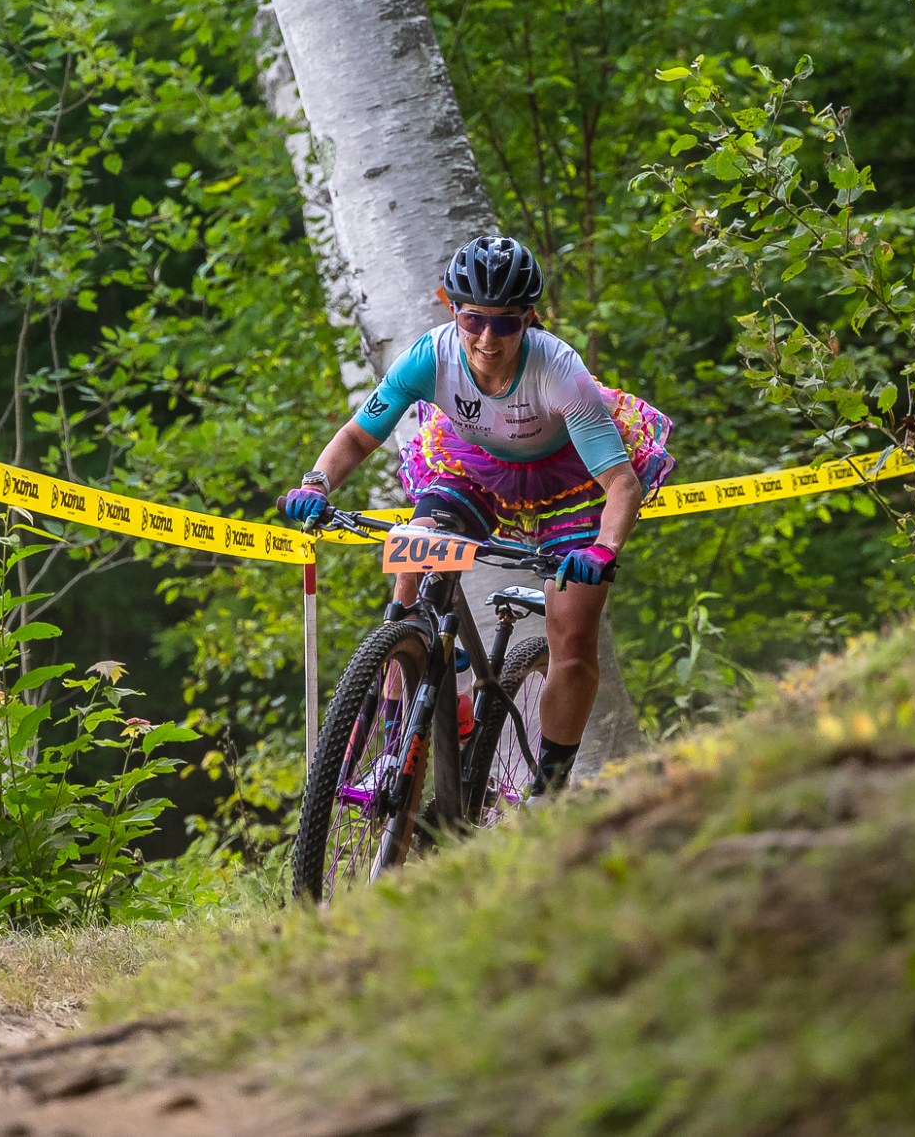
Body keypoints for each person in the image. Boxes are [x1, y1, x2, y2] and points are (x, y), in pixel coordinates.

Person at [279, 235, 673, 797]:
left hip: (571, 480)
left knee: (572, 638)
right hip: (475, 468)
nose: (488, 338)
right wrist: (315, 484)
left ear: (529, 318)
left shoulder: (560, 370)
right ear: (453, 310)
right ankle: (410, 721)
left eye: (506, 322)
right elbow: (357, 436)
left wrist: (603, 551)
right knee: (414, 555)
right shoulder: (430, 356)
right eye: (474, 319)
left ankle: (547, 790)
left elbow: (621, 484)